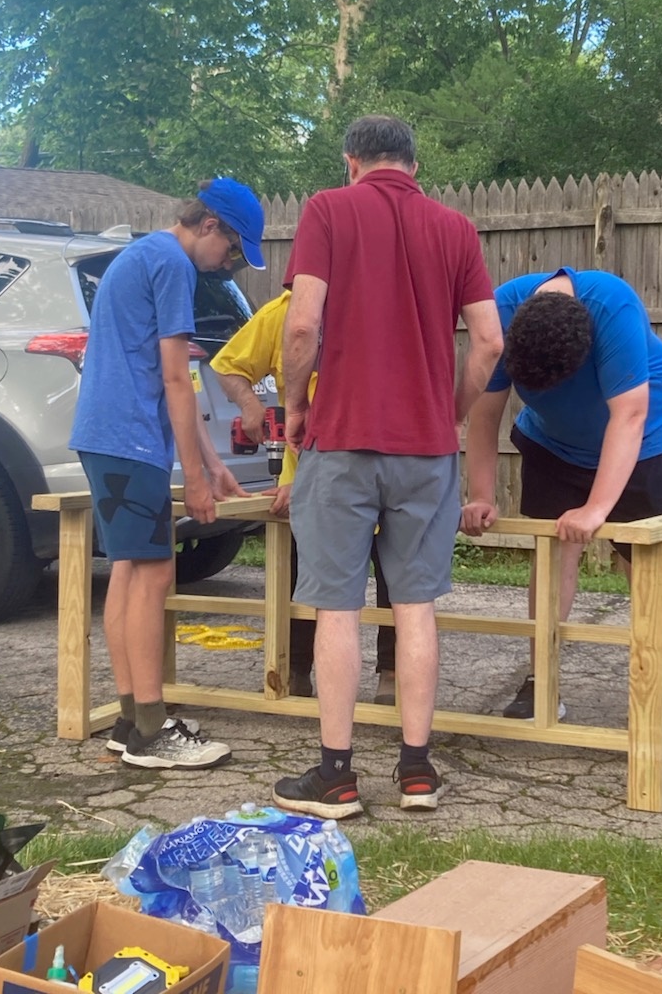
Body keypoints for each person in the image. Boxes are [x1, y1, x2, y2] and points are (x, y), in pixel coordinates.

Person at [273, 114, 503, 818]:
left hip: (342, 443)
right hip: (426, 451)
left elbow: (303, 323)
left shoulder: (328, 210)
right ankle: (416, 772)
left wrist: (294, 405)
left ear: (352, 161)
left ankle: (336, 777)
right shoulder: (455, 229)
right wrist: (452, 412)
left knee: (337, 607)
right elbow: (490, 343)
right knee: (415, 609)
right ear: (412, 163)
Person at [70, 177, 266, 769]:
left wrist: (211, 464)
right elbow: (178, 379)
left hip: (109, 436)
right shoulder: (174, 266)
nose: (228, 263)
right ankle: (153, 732)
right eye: (232, 249)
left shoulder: (144, 253)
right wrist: (199, 478)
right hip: (129, 438)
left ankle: (132, 722)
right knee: (154, 574)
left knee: (131, 570)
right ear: (209, 226)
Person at [461, 267, 662, 724]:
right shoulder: (501, 314)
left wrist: (597, 508)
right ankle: (542, 678)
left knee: (641, 557)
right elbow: (484, 415)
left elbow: (630, 414)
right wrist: (480, 494)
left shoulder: (613, 308)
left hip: (643, 443)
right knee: (551, 555)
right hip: (553, 445)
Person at [209, 289, 399, 703]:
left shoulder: (383, 302)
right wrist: (250, 404)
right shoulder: (283, 312)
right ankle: (294, 669)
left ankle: (392, 674)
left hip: (382, 466)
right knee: (306, 577)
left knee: (395, 573)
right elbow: (227, 365)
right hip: (307, 477)